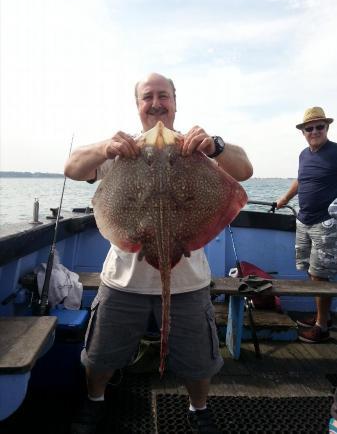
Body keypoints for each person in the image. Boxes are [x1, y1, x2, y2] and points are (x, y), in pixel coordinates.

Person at [64, 72, 253, 434]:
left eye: (163, 95)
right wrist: (106, 147)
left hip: (188, 282)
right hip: (123, 281)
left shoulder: (196, 148)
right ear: (138, 106)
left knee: (198, 361)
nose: (156, 103)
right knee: (101, 354)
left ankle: (199, 408)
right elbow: (72, 166)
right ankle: (95, 401)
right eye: (147, 97)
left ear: (175, 101)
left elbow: (244, 169)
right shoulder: (124, 150)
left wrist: (215, 145)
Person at [276, 106, 337, 343]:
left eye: (319, 127)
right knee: (311, 272)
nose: (314, 131)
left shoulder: (334, 152)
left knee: (320, 275)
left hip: (326, 224)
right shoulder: (304, 154)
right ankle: (323, 316)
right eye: (309, 128)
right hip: (303, 221)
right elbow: (301, 180)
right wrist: (285, 199)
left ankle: (322, 327)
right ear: (303, 132)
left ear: (327, 127)